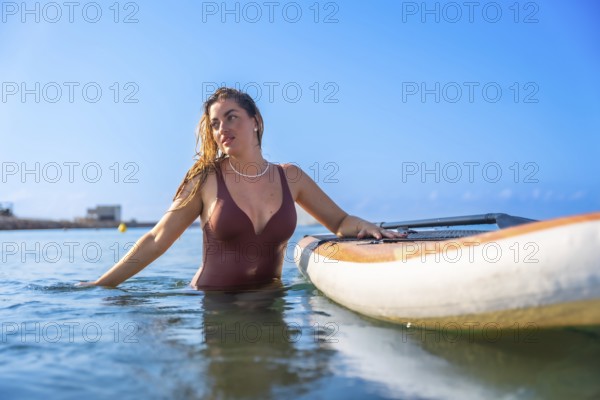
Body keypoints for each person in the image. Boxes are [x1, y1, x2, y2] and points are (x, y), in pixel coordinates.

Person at [78, 87, 403, 290]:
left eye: (231, 118)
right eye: (215, 124)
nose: (223, 129)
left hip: (269, 302)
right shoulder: (205, 178)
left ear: (255, 121)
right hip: (214, 304)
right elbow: (157, 239)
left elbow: (340, 222)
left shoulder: (291, 178)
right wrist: (101, 284)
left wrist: (368, 228)